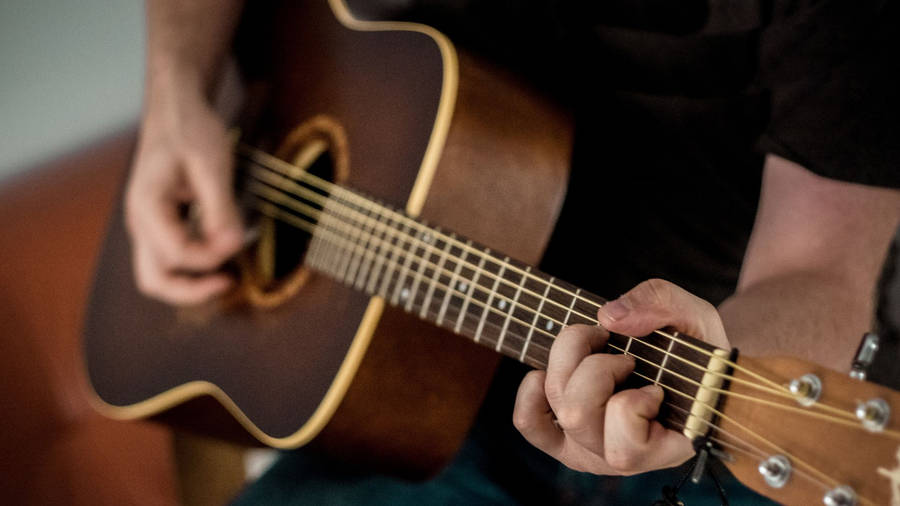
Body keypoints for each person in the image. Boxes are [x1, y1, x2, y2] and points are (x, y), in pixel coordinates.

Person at [125, 0, 900, 503]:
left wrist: (716, 364)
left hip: (686, 412)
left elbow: (825, 267)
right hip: (414, 402)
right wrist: (174, 92)